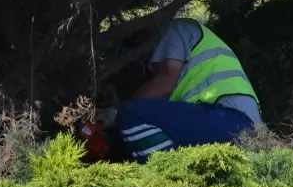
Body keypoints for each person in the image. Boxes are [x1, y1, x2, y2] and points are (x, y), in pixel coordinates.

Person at [102, 19, 262, 161]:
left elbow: (164, 85)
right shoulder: (196, 39)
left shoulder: (173, 31)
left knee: (131, 114)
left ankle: (168, 180)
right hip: (243, 129)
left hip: (231, 121)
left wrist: (116, 113)